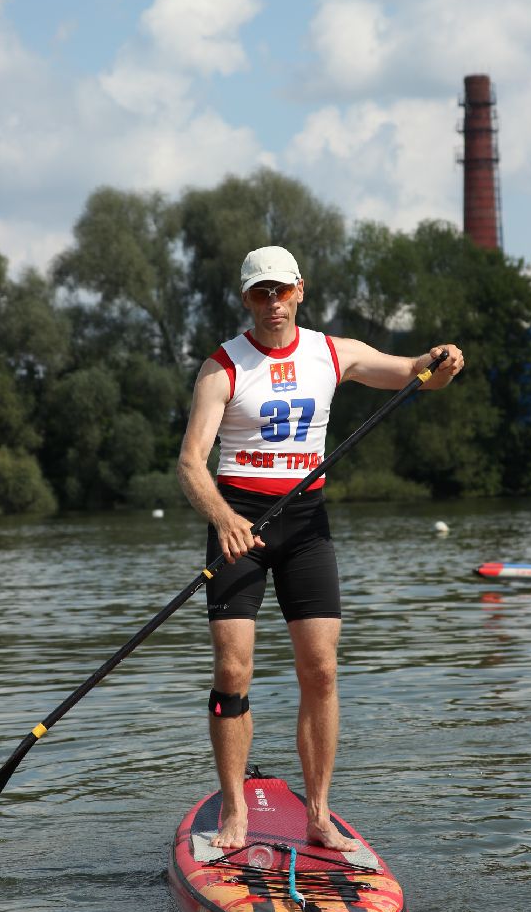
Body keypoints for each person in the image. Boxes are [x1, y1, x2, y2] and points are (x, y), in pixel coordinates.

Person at [177, 245, 464, 851]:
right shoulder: (221, 367)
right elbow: (189, 464)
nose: (273, 302)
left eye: (281, 290)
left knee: (322, 670)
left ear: (300, 291)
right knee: (232, 671)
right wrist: (224, 519)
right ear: (247, 299)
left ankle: (319, 813)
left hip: (306, 525)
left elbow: (416, 373)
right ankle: (234, 811)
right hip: (241, 526)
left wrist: (441, 361)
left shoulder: (334, 354)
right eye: (261, 293)